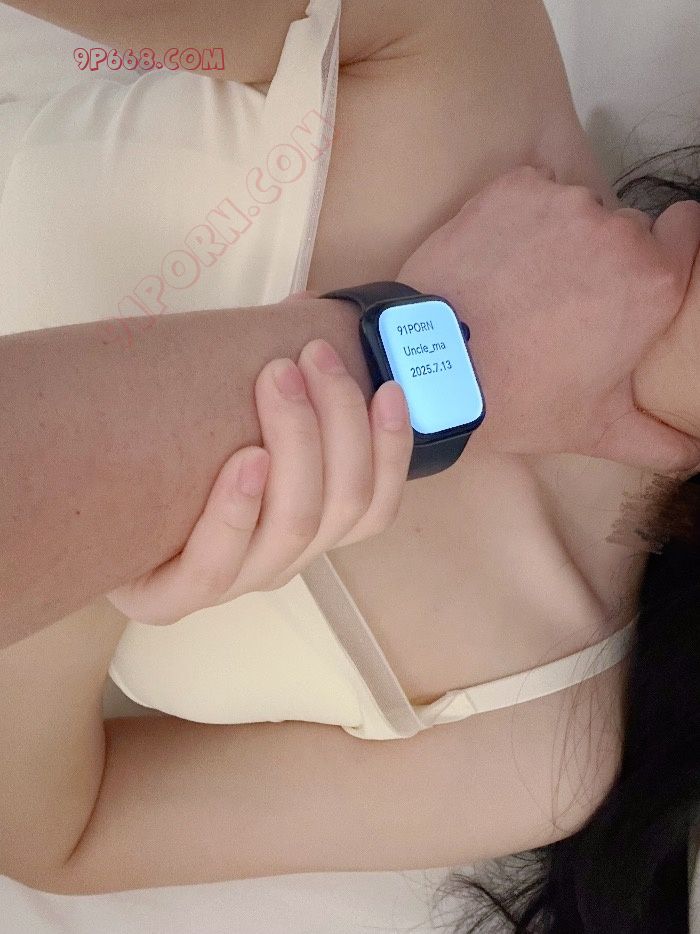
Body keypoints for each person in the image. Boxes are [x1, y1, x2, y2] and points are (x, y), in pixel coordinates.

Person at [0, 2, 698, 932]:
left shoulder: (537, 744)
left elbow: (57, 831)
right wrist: (430, 352)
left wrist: (100, 570)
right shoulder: (470, 41)